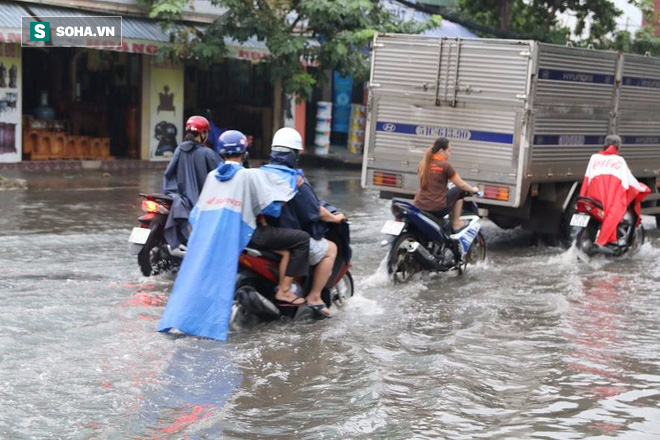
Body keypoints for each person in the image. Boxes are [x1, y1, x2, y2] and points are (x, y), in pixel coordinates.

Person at [158, 130, 309, 341]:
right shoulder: (249, 175)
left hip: (207, 236)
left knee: (196, 277)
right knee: (221, 281)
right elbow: (272, 204)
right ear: (244, 152)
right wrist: (295, 183)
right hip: (238, 235)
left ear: (220, 152)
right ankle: (212, 325)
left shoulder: (213, 176)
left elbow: (197, 214)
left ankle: (183, 318)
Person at [262, 128, 346, 318]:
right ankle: (315, 297)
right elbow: (313, 212)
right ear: (294, 154)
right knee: (330, 249)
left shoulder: (259, 173)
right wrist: (335, 218)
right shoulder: (295, 178)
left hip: (261, 233)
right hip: (285, 236)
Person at [579, 134, 650, 252]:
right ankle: (605, 241)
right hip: (609, 199)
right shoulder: (619, 161)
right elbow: (629, 181)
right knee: (615, 211)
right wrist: (642, 188)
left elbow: (587, 178)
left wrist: (583, 195)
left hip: (592, 198)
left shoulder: (594, 157)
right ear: (618, 147)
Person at [162, 116, 221, 248]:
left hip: (179, 199)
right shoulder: (207, 153)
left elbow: (168, 174)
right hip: (201, 203)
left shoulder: (179, 150)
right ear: (202, 133)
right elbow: (224, 172)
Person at [413, 137, 479, 232]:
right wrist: (473, 190)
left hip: (419, 205)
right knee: (459, 190)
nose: (449, 154)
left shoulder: (423, 164)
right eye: (449, 151)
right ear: (441, 151)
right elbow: (461, 184)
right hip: (437, 208)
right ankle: (456, 223)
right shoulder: (445, 166)